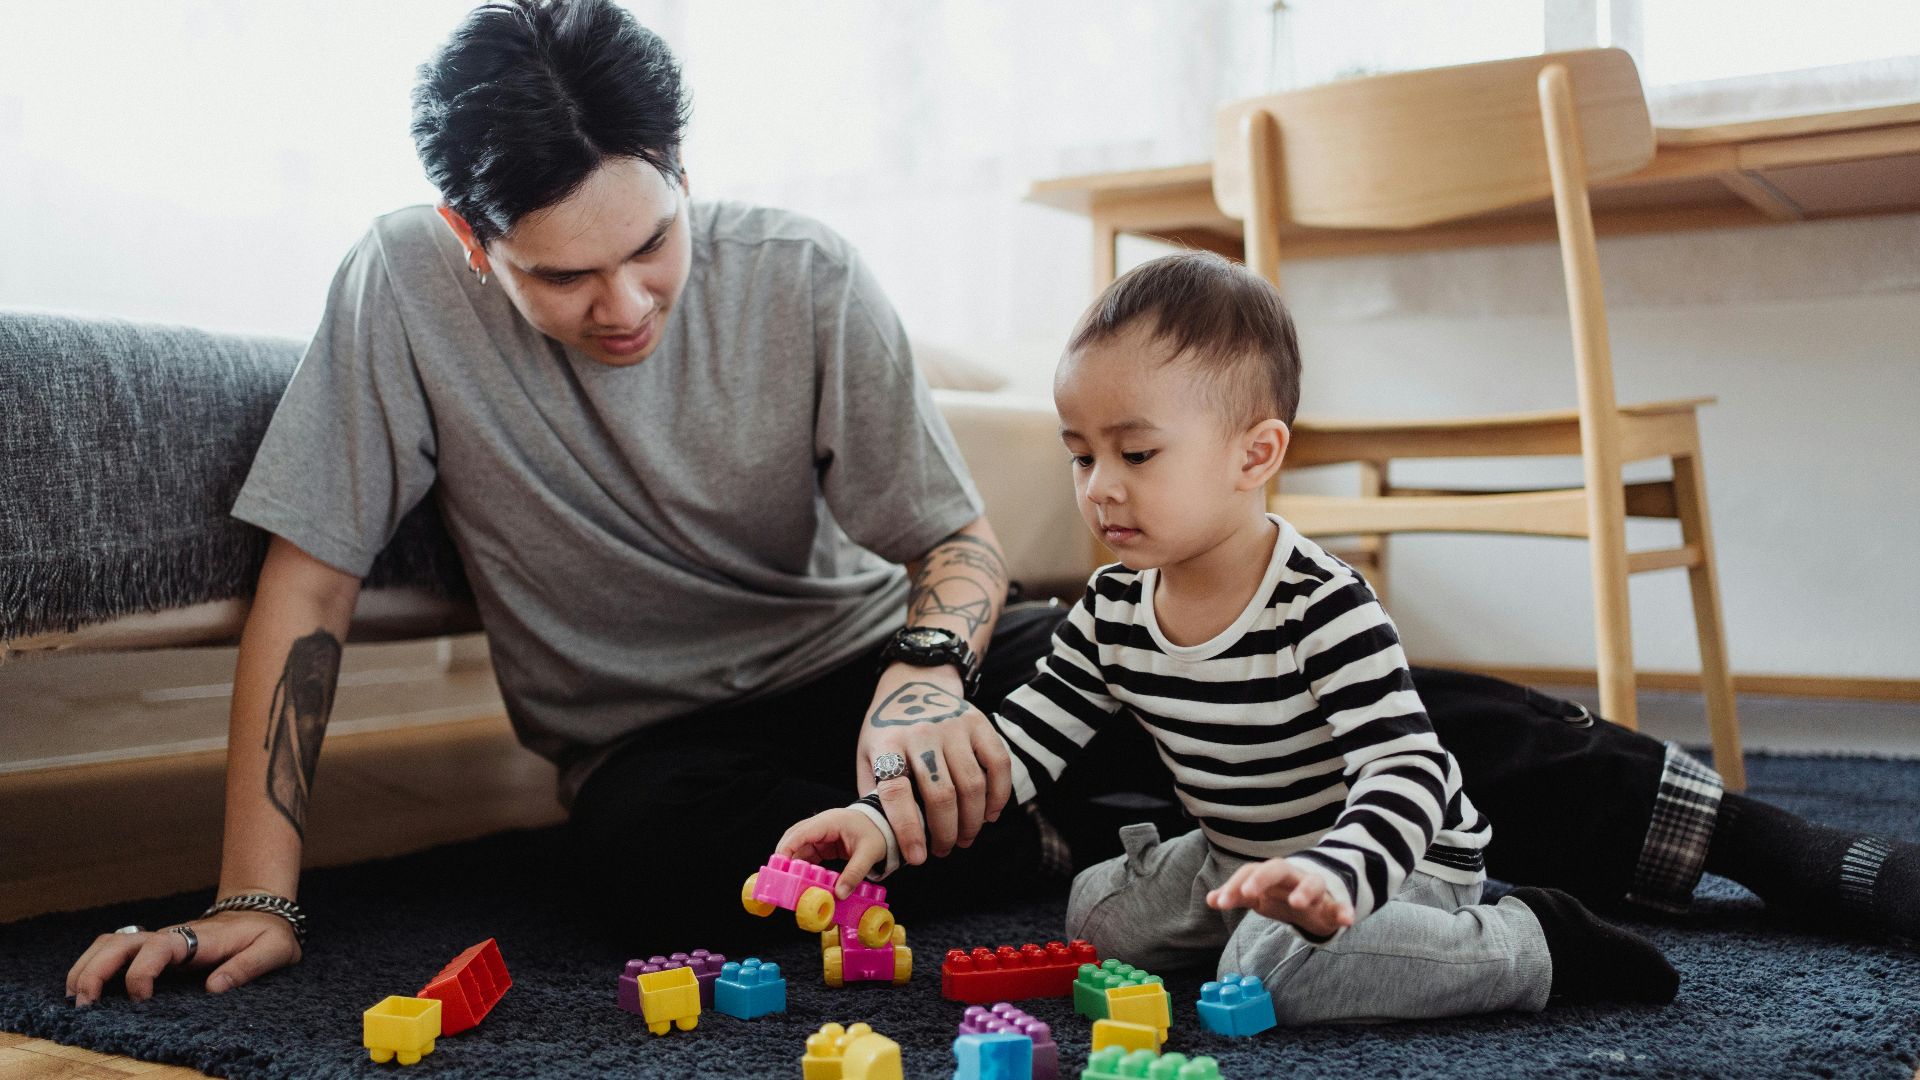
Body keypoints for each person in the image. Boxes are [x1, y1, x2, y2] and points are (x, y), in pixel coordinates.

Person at [67, 1, 1913, 1011]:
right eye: (566, 283)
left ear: (686, 180)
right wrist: (259, 894)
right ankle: (1091, 831)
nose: (626, 305)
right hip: (668, 753)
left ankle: (1742, 839)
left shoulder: (798, 276)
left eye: (652, 246)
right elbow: (302, 596)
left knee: (1274, 662)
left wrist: (930, 681)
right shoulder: (394, 292)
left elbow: (949, 541)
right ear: (473, 246)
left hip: (891, 671)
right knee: (624, 865)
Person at [778, 253, 1919, 1020]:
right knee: (1098, 913)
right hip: (1242, 851)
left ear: (1255, 455)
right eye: (1081, 455)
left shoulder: (1320, 600)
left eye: (1136, 453)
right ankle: (1277, 908)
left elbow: (1413, 769)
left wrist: (1335, 869)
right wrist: (883, 818)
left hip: (1392, 856)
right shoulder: (1112, 611)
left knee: (1271, 964)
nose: (1099, 489)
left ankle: (1536, 946)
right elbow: (1023, 751)